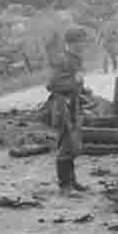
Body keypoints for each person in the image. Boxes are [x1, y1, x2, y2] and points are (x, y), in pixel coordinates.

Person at [47, 27, 88, 197]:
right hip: (63, 105)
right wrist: (74, 83)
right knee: (65, 143)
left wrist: (83, 89)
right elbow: (52, 84)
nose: (82, 46)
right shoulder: (62, 60)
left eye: (82, 42)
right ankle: (65, 185)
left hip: (73, 103)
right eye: (78, 42)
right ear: (69, 44)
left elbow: (75, 82)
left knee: (72, 142)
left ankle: (71, 179)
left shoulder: (75, 59)